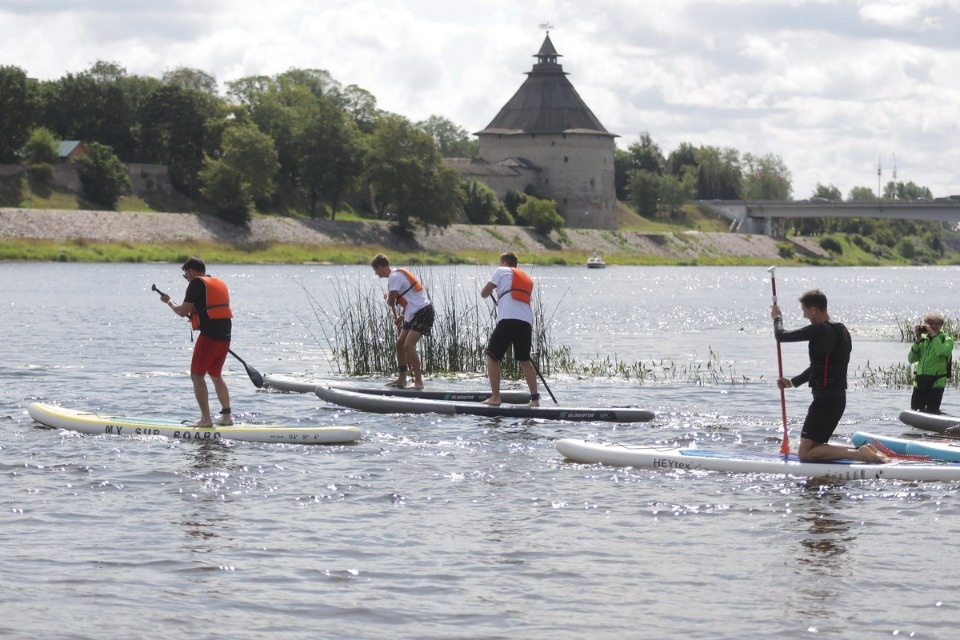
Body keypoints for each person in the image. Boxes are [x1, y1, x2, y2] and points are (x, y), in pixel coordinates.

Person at [772, 289, 887, 463]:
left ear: (813, 309)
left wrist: (777, 318)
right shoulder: (841, 330)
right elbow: (818, 366)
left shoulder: (819, 330)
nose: (804, 316)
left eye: (804, 311)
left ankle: (857, 454)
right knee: (816, 446)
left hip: (825, 401)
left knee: (805, 453)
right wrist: (792, 382)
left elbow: (781, 336)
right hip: (837, 398)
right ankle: (861, 450)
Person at [159, 257, 233, 427]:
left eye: (186, 276)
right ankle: (227, 417)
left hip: (209, 336)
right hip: (225, 334)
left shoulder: (196, 283)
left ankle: (206, 419)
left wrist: (168, 301)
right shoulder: (217, 282)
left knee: (197, 375)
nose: (187, 279)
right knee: (215, 374)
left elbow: (182, 311)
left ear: (191, 271)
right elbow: (207, 309)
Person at [480, 251, 540, 407]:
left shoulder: (501, 271)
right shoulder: (527, 278)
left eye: (500, 263)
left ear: (504, 263)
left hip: (508, 319)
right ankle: (535, 400)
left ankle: (495, 397)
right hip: (526, 321)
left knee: (492, 356)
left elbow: (484, 293)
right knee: (524, 359)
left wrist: (493, 290)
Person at [370, 253, 435, 389]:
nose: (376, 274)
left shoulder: (394, 277)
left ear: (381, 267)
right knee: (400, 344)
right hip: (414, 312)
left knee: (408, 346)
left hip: (423, 311)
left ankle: (418, 382)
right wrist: (402, 316)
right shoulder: (397, 275)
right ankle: (402, 379)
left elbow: (391, 302)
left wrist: (387, 295)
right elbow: (410, 299)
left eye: (376, 270)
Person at [908, 311, 954, 414]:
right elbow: (911, 359)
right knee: (915, 410)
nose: (933, 326)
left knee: (932, 411)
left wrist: (933, 335)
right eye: (931, 324)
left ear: (941, 325)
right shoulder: (923, 340)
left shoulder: (947, 339)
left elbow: (942, 351)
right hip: (920, 381)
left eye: (936, 324)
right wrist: (917, 340)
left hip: (936, 382)